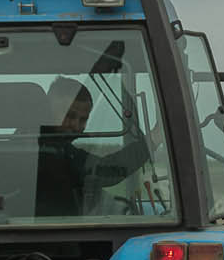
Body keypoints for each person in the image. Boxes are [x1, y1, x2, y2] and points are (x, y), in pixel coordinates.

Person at [37, 77, 156, 214]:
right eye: (69, 116)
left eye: (83, 119)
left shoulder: (55, 146)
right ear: (49, 111)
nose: (76, 126)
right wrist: (155, 137)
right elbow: (108, 169)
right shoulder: (49, 151)